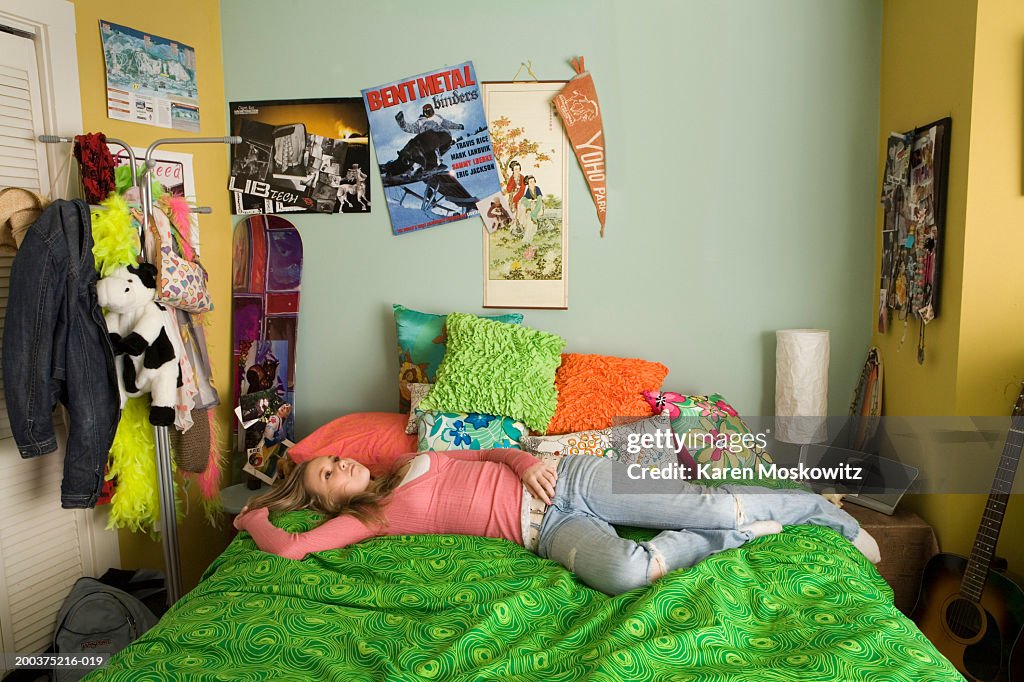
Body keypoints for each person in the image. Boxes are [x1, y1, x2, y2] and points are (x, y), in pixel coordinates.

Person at [234, 449, 880, 596]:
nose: (340, 462)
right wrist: (253, 518)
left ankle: (823, 513)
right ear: (325, 501)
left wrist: (525, 457)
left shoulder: (409, 457)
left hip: (567, 477)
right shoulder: (370, 520)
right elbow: (289, 551)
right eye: (326, 473)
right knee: (624, 573)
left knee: (710, 497)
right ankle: (732, 537)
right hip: (543, 531)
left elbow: (486, 452)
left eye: (337, 457)